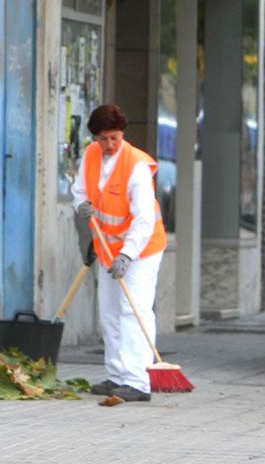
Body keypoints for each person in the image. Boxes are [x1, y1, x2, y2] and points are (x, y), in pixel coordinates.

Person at [71, 104, 168, 402]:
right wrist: (81, 206)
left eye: (115, 138)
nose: (110, 145)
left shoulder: (136, 165)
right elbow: (80, 191)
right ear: (95, 137)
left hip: (141, 249)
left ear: (122, 134)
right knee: (110, 312)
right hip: (107, 247)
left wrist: (127, 255)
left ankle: (138, 380)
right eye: (104, 139)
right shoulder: (90, 156)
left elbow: (143, 218)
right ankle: (117, 375)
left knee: (133, 310)